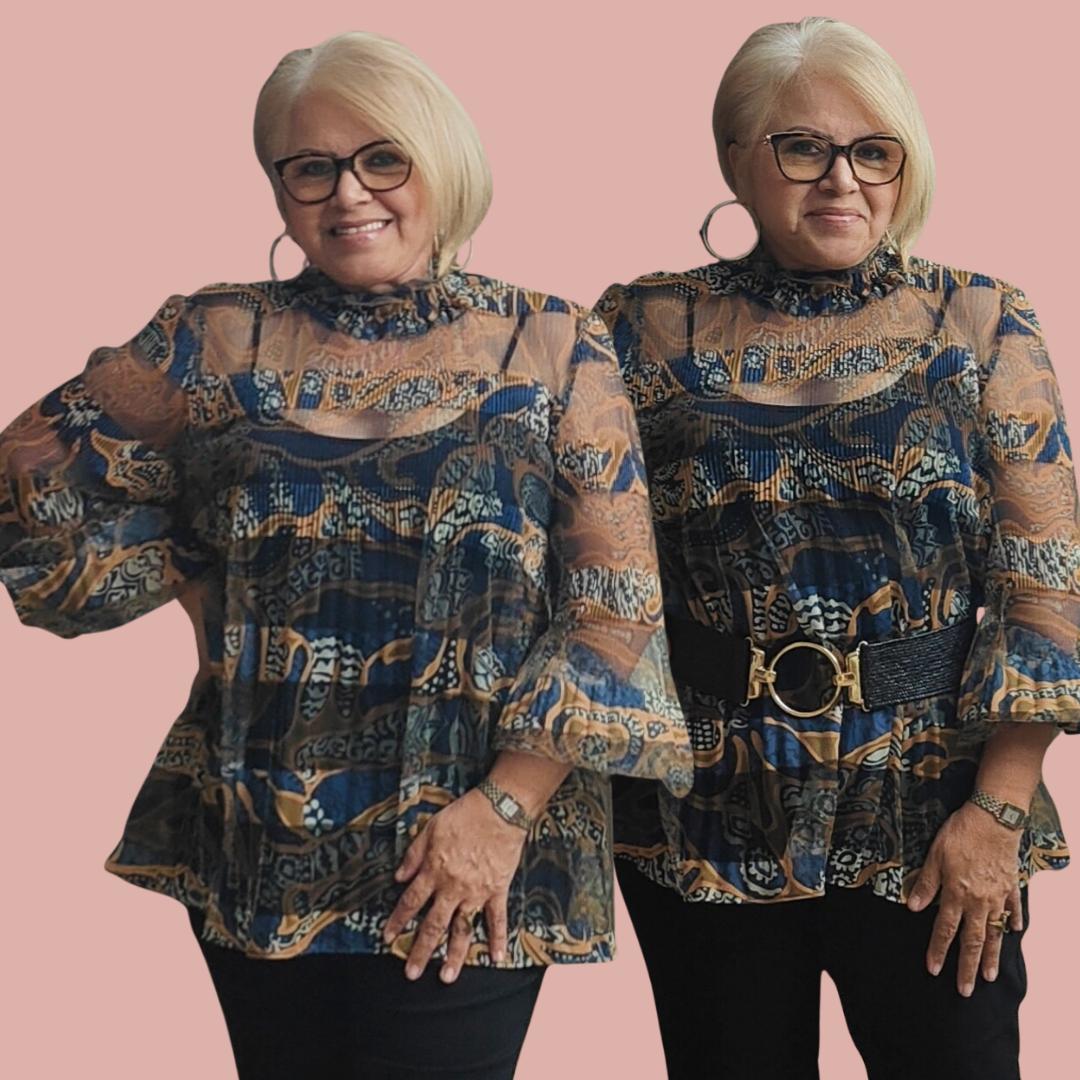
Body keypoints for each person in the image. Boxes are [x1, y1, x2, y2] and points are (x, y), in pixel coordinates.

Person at [0, 31, 691, 1079]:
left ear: (439, 164)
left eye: (382, 158)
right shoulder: (217, 337)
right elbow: (31, 471)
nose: (347, 193)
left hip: (469, 852)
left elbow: (615, 605)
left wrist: (503, 811)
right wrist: (192, 574)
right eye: (309, 168)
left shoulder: (550, 345)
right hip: (257, 830)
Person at [595, 16, 1078, 1080]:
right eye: (802, 147)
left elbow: (1048, 588)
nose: (841, 180)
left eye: (874, 150)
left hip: (934, 813)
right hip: (703, 819)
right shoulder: (640, 327)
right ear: (736, 159)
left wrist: (997, 812)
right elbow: (586, 562)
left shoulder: (983, 321)